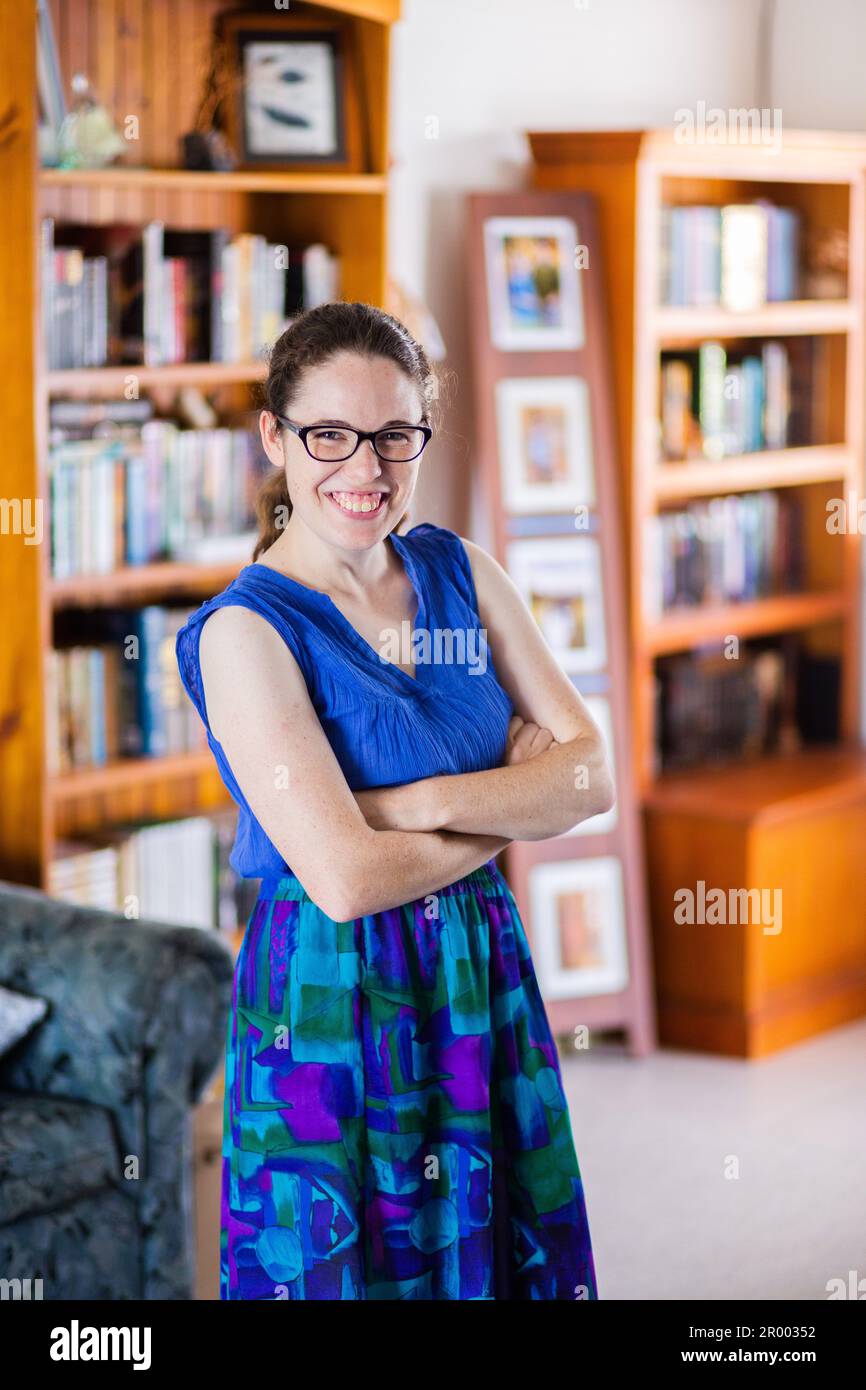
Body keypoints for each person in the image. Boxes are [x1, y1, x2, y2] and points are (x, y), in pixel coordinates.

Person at [175, 300, 615, 1301]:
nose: (365, 469)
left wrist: (409, 804)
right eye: (330, 435)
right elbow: (341, 878)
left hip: (476, 970)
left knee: (494, 1248)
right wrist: (509, 806)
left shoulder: (461, 569)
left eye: (392, 436)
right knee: (358, 1267)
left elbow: (590, 776)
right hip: (332, 993)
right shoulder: (246, 633)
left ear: (422, 434)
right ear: (274, 438)